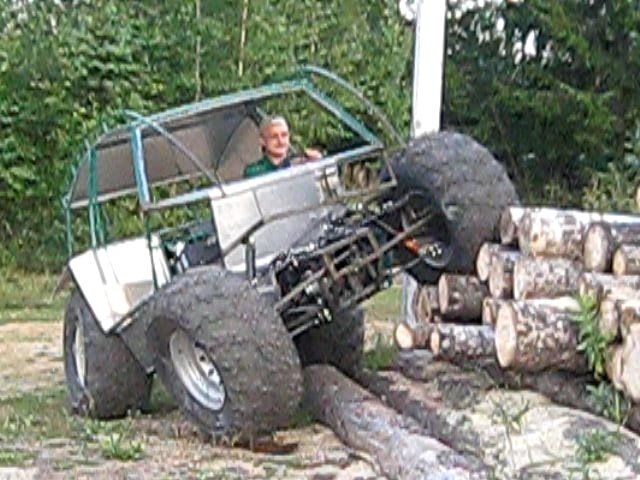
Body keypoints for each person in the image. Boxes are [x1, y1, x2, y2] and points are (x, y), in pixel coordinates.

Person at [243, 115, 322, 178]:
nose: (280, 141)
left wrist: (318, 163)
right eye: (274, 136)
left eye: (284, 135)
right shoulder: (254, 171)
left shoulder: (302, 161)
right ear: (262, 140)